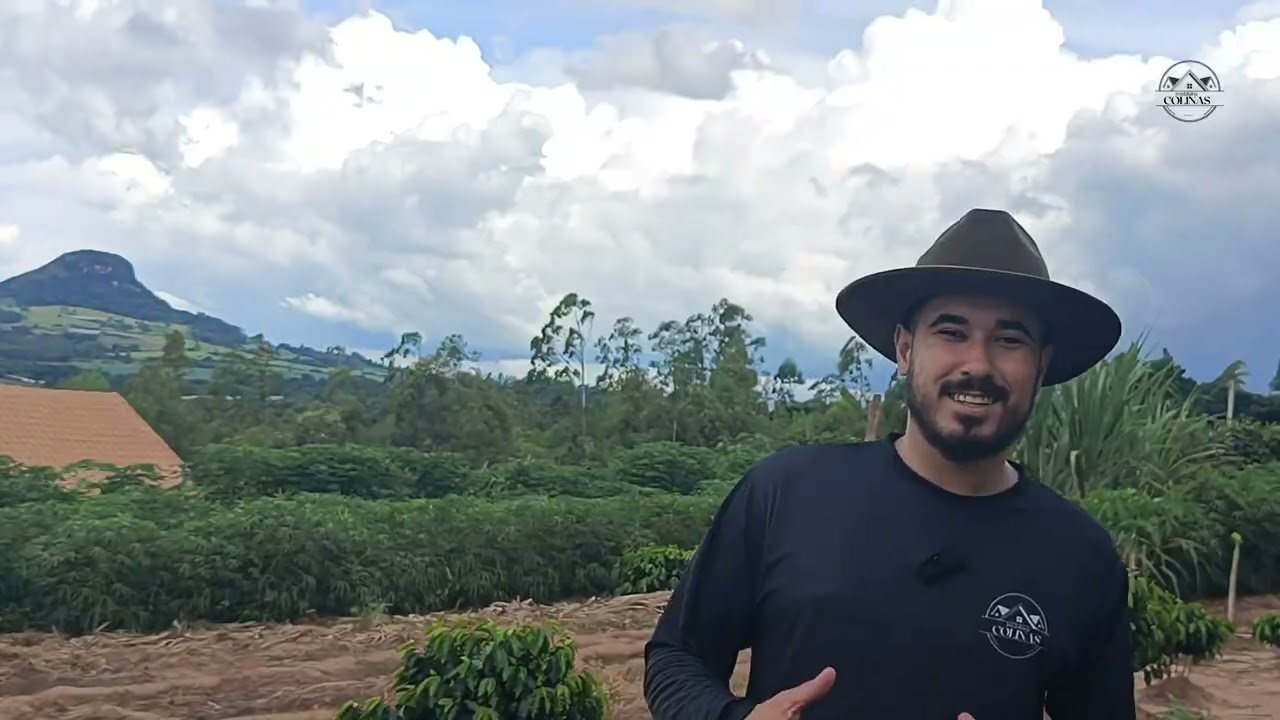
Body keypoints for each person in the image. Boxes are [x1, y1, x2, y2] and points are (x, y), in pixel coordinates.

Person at [642, 208, 1136, 719]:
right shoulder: (787, 493)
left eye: (1010, 340)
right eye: (951, 332)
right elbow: (678, 657)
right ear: (905, 349)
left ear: (1041, 366)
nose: (978, 364)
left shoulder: (1081, 556)